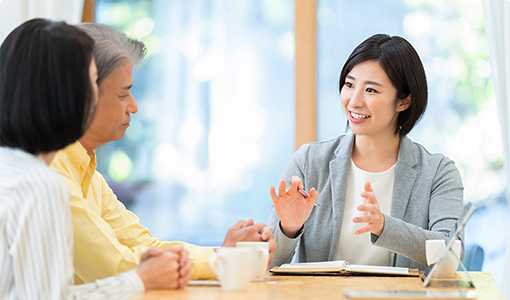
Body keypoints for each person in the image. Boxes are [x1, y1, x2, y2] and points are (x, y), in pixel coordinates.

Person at [49, 22, 276, 284]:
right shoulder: (51, 171)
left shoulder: (86, 170)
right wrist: (221, 257)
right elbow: (115, 265)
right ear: (83, 95)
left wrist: (223, 254)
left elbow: (145, 246)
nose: (133, 107)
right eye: (124, 94)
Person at [0, 18, 192, 299]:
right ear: (63, 94)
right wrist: (140, 279)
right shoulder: (40, 184)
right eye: (90, 81)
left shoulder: (14, 168)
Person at [268, 34, 464, 271]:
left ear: (403, 101)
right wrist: (288, 228)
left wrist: (384, 227)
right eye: (349, 85)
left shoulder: (438, 173)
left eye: (371, 90)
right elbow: (270, 262)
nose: (354, 101)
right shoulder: (309, 161)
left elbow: (451, 255)